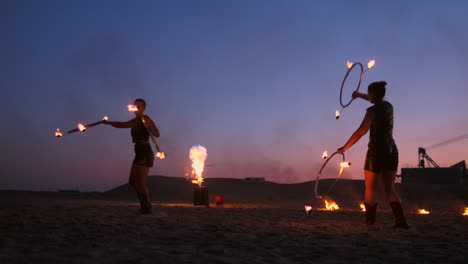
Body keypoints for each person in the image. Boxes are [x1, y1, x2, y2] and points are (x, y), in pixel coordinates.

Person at [337, 81, 409, 229]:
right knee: (389, 189)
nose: (367, 95)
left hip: (376, 153)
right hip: (391, 150)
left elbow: (359, 133)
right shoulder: (389, 107)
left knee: (370, 188)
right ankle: (401, 221)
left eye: (368, 93)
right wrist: (358, 95)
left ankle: (370, 222)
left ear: (373, 94)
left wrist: (344, 148)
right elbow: (374, 99)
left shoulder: (371, 112)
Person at [104, 99, 160, 214]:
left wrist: (149, 126)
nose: (137, 107)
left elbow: (157, 134)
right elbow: (121, 125)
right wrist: (108, 123)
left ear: (143, 108)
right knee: (132, 182)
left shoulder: (146, 119)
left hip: (145, 151)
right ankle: (146, 204)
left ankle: (146, 207)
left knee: (140, 183)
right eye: (136, 105)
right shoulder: (135, 121)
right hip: (138, 152)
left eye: (139, 106)